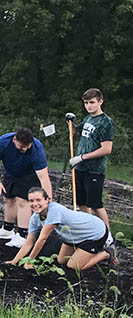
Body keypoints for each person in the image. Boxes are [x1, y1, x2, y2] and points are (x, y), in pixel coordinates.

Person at [6, 187, 117, 270]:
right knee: (61, 260)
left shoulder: (54, 210)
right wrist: (14, 261)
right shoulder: (35, 218)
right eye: (31, 201)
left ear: (47, 200)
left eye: (38, 200)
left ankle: (107, 253)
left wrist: (30, 261)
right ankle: (83, 253)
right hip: (73, 236)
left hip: (94, 232)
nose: (35, 204)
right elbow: (28, 242)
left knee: (73, 266)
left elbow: (42, 239)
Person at [0, 128, 53, 248]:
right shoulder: (3, 142)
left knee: (23, 201)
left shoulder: (36, 149)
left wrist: (48, 200)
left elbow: (44, 177)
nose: (25, 149)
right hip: (11, 172)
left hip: (30, 174)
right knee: (8, 199)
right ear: (14, 140)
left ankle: (23, 235)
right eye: (22, 146)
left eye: (27, 146)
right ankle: (7, 230)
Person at [67, 88, 115, 233]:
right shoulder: (88, 118)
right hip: (80, 168)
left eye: (92, 102)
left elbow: (106, 149)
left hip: (94, 169)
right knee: (81, 203)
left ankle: (107, 235)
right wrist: (71, 123)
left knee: (95, 204)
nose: (89, 106)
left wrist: (82, 157)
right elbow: (75, 132)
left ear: (100, 102)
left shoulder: (106, 122)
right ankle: (89, 231)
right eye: (86, 103)